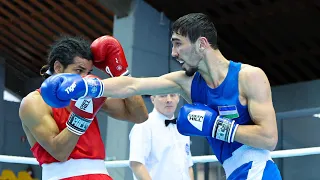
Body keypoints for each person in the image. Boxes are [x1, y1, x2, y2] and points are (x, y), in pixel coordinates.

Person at [39, 13, 282, 179]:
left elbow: (269, 138)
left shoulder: (248, 76)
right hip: (232, 172)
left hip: (258, 170)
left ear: (201, 44)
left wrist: (217, 127)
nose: (174, 52)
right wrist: (91, 88)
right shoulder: (185, 83)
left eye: (178, 44)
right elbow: (134, 85)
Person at [19, 35, 149, 180]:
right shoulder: (34, 102)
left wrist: (120, 72)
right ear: (58, 67)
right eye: (79, 70)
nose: (84, 79)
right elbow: (60, 153)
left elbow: (140, 116)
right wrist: (82, 115)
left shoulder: (88, 92)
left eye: (88, 73)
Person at [129, 93, 194, 180]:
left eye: (173, 95)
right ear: (152, 99)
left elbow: (188, 166)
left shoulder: (182, 126)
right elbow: (136, 164)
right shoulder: (143, 126)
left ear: (178, 97)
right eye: (163, 96)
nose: (169, 100)